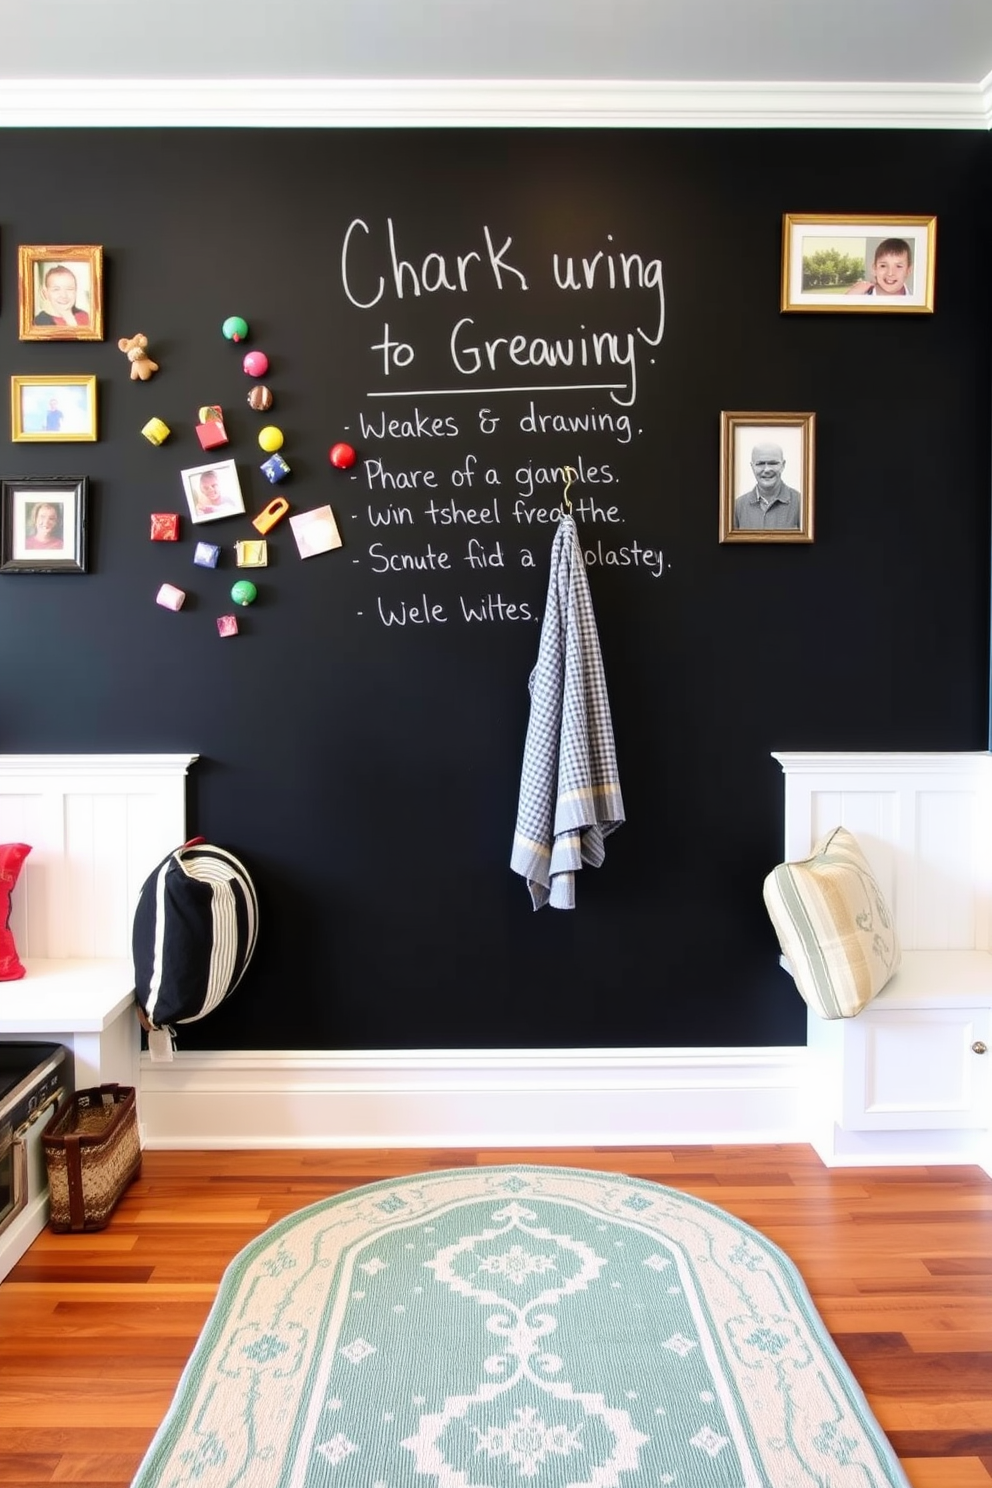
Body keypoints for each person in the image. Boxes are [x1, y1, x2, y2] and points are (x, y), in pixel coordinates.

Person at [733, 443, 801, 531]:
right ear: (752, 467)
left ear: (783, 465)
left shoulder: (802, 504)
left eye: (773, 463)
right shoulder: (737, 506)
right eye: (760, 464)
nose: (767, 469)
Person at [845, 238, 912, 297]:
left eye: (899, 266)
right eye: (883, 266)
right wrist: (849, 299)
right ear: (874, 269)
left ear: (908, 270)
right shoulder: (858, 297)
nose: (890, 273)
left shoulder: (918, 301)